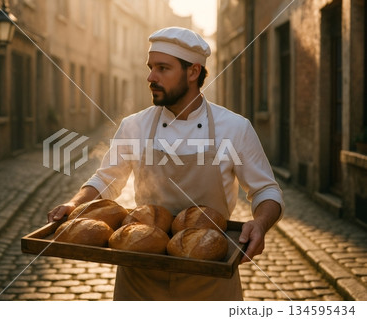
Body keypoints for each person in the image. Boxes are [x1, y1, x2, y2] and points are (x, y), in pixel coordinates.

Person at [47, 26, 284, 301]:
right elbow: (105, 180)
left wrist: (261, 223)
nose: (151, 77)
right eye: (150, 67)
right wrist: (76, 204)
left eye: (162, 68)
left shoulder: (234, 128)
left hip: (209, 281)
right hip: (139, 277)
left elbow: (266, 191)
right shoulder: (134, 125)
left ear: (193, 72)